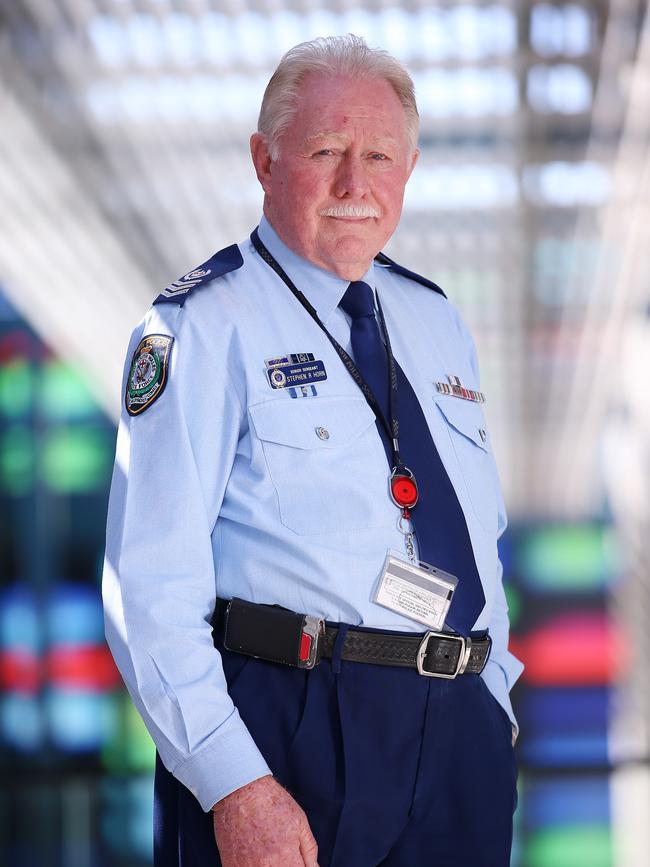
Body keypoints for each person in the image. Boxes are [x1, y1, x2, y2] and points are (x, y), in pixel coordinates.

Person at [103, 35, 523, 867]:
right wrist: (231, 782)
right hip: (292, 724)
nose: (354, 185)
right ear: (264, 161)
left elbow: (482, 532)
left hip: (457, 736)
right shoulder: (201, 324)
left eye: (378, 155)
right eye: (326, 151)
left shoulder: (435, 318)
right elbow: (149, 584)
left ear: (410, 167)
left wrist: (494, 697)